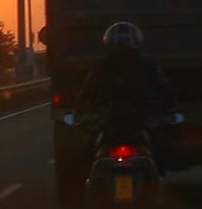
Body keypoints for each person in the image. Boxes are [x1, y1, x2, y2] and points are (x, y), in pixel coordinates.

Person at [74, 21, 176, 172]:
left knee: (88, 150)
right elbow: (167, 92)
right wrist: (166, 111)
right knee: (163, 148)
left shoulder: (100, 67)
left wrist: (80, 114)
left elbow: (84, 96)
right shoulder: (148, 66)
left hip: (110, 125)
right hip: (139, 124)